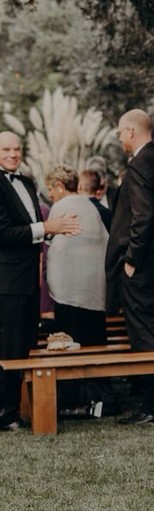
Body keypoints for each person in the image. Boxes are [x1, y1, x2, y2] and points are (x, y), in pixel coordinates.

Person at [0, 132, 81, 431]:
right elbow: (0, 233)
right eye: (6, 149)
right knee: (8, 346)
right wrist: (46, 226)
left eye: (17, 149)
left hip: (26, 278)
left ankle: (0, 410)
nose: (12, 154)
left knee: (20, 345)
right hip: (4, 279)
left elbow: (28, 227)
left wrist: (53, 231)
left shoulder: (28, 182)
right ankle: (0, 414)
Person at [105, 109, 154, 424]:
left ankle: (150, 405)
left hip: (143, 266)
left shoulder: (138, 165)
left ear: (132, 131)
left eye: (121, 133)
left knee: (144, 334)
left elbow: (143, 216)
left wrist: (132, 261)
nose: (121, 138)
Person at [46, 165, 108, 345]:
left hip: (69, 293)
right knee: (94, 342)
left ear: (60, 186)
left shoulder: (61, 206)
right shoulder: (91, 205)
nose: (50, 195)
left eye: (51, 189)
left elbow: (52, 245)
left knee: (69, 343)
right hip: (94, 289)